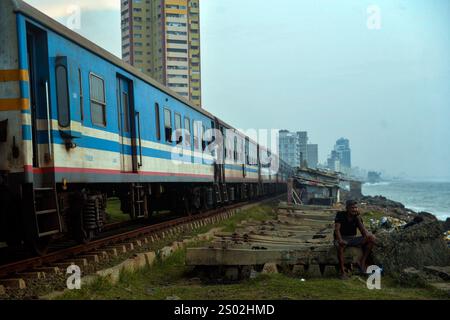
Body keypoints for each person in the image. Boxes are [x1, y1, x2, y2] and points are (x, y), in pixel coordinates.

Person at [334, 200, 376, 279]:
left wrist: (358, 219)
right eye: (352, 208)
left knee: (371, 239)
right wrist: (340, 240)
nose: (354, 209)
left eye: (356, 208)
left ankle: (362, 262)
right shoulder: (340, 215)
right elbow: (337, 229)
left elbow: (364, 233)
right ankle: (342, 271)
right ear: (347, 208)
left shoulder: (357, 218)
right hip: (342, 237)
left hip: (352, 238)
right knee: (340, 247)